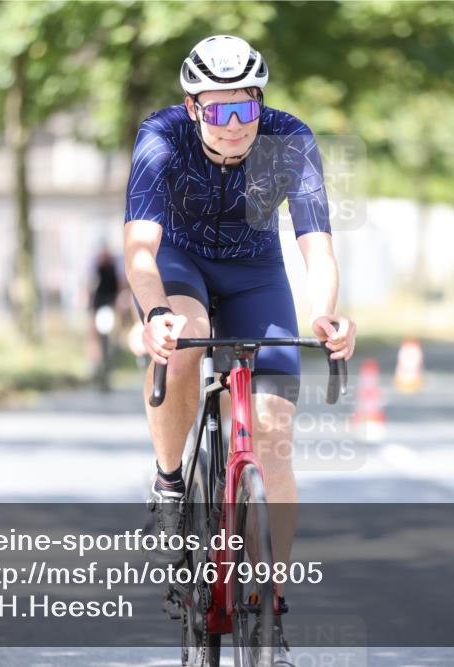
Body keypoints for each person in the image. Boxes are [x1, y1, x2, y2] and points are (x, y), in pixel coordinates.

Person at [123, 35, 356, 663]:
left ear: (261, 104)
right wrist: (155, 315)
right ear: (193, 107)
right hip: (181, 265)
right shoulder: (160, 138)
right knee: (187, 335)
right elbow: (141, 251)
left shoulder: (290, 140)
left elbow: (318, 249)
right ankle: (172, 483)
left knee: (275, 435)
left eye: (244, 110)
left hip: (256, 273)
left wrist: (326, 314)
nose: (233, 126)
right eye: (217, 110)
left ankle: (270, 603)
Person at [88, 247, 120, 390]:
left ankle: (105, 370)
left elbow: (120, 287)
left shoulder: (114, 267)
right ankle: (98, 367)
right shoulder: (97, 268)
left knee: (107, 341)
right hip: (100, 306)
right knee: (97, 339)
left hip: (109, 306)